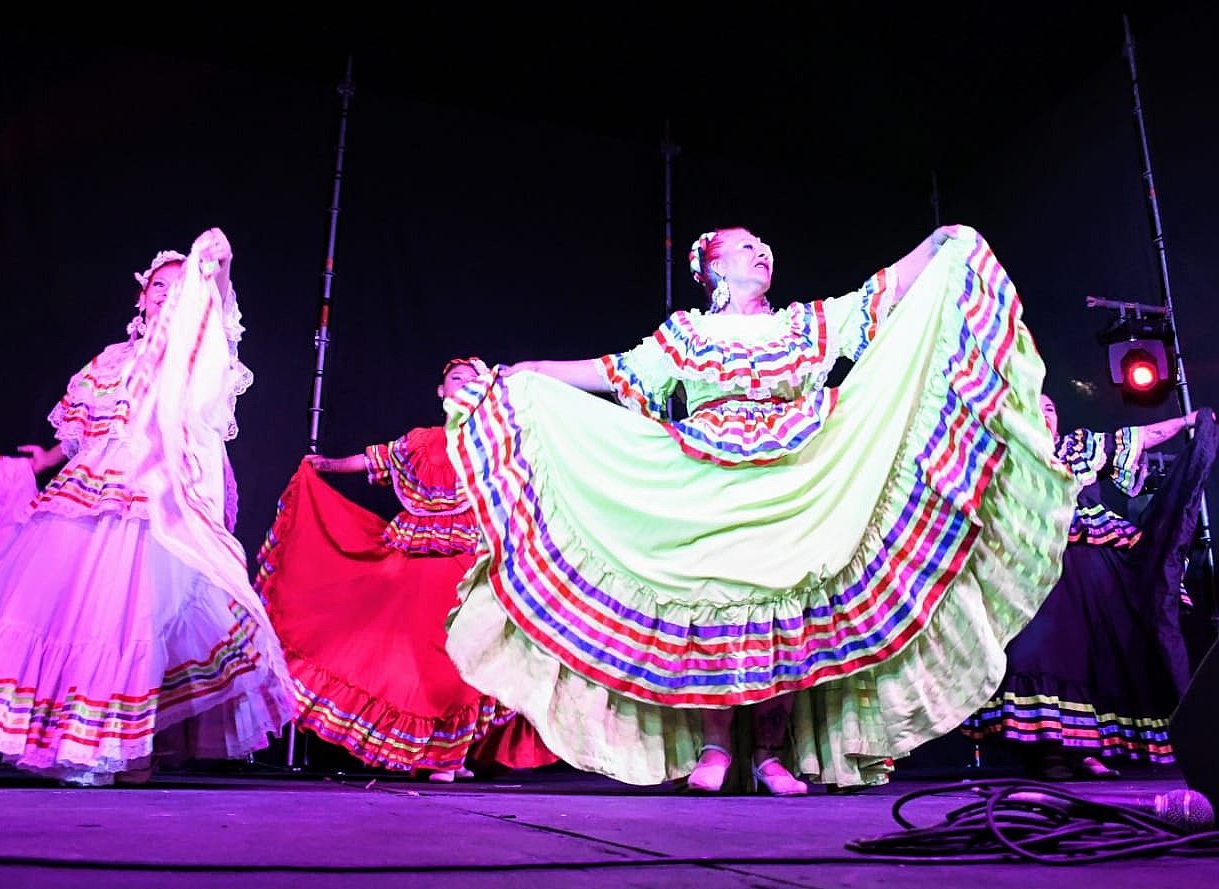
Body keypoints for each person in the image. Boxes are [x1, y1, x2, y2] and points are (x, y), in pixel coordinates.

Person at [439, 223, 1078, 794]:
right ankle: (716, 748)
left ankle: (771, 753)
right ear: (715, 266)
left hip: (792, 475)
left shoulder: (801, 326)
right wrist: (525, 372)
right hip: (708, 472)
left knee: (785, 602)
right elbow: (613, 370)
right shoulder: (686, 334)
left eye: (764, 245)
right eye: (747, 246)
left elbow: (878, 296)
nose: (762, 251)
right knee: (715, 598)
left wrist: (938, 244)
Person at [0, 228, 295, 785]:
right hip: (89, 494)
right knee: (65, 609)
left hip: (151, 496)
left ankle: (130, 746)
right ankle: (71, 737)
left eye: (179, 286)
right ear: (141, 296)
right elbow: (82, 432)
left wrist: (219, 266)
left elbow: (221, 318)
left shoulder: (189, 359)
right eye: (158, 285)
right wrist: (45, 459)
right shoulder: (109, 361)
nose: (166, 293)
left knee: (136, 615)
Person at [253, 358, 558, 782]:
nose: (464, 385)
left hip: (475, 562)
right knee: (428, 657)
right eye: (456, 379)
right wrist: (327, 466)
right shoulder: (421, 442)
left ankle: (450, 756)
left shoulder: (498, 441)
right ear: (441, 391)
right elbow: (374, 459)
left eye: (474, 380)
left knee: (471, 654)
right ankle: (439, 756)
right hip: (423, 566)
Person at [962, 394, 1217, 780]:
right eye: (1035, 405)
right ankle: (1047, 751)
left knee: (1094, 654)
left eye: (1051, 407)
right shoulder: (1007, 455)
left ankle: (1084, 750)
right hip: (1033, 565)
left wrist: (1187, 422)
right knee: (1039, 652)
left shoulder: (1076, 449)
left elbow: (1135, 437)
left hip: (1090, 567)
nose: (1045, 412)